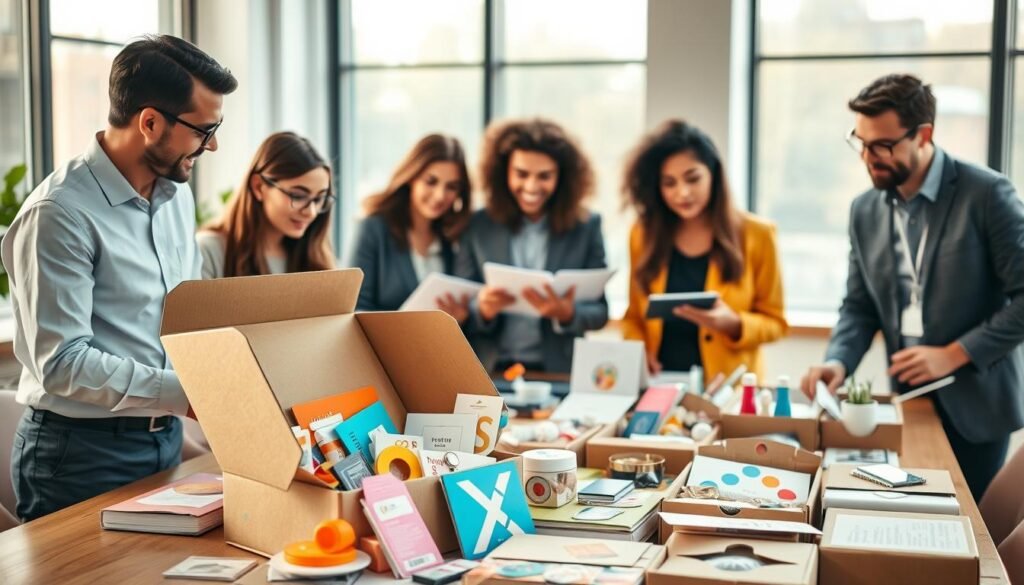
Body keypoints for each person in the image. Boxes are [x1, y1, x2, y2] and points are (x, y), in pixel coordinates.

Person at [1, 35, 237, 521]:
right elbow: (62, 362)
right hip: (79, 456)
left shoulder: (176, 196)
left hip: (163, 438)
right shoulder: (59, 215)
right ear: (150, 123)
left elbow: (180, 318)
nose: (213, 143)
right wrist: (187, 393)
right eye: (203, 129)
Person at [800, 74, 1024, 501]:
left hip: (976, 404)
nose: (868, 157)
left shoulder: (988, 194)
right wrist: (838, 362)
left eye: (882, 145)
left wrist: (954, 354)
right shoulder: (864, 209)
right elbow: (859, 305)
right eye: (860, 143)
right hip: (909, 402)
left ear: (924, 134)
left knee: (965, 533)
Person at [621, 119, 787, 379]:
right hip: (660, 385)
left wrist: (734, 323)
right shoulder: (643, 234)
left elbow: (776, 323)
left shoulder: (758, 234)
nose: (682, 193)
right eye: (669, 183)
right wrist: (638, 349)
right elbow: (633, 317)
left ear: (714, 175)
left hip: (729, 390)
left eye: (693, 178)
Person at [456, 118, 608, 373]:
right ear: (504, 172)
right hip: (489, 371)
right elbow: (460, 307)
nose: (531, 187)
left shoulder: (586, 226)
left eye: (544, 176)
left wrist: (567, 313)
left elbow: (600, 312)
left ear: (562, 177)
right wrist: (481, 309)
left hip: (557, 372)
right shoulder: (478, 225)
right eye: (521, 174)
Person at [350, 134, 471, 316]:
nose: (440, 196)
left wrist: (459, 318)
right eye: (431, 181)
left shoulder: (452, 238)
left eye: (451, 187)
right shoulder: (373, 229)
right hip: (384, 343)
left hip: (438, 343)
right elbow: (355, 308)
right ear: (411, 177)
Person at [197, 131, 335, 278]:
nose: (311, 212)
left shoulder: (316, 256)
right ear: (259, 187)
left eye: (319, 199)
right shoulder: (209, 251)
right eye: (298, 196)